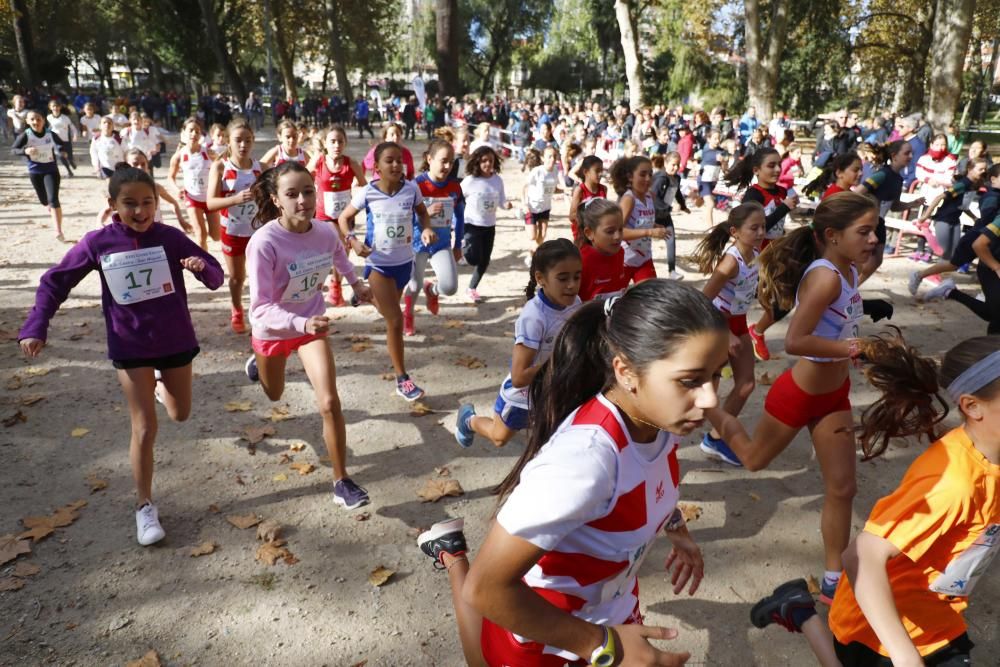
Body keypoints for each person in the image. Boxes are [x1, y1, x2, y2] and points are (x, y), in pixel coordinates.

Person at [418, 279, 723, 666]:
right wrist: (604, 646)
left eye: (717, 375)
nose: (711, 399)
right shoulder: (585, 461)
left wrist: (677, 531)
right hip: (544, 638)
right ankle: (452, 555)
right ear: (626, 372)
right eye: (690, 380)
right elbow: (486, 589)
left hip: (609, 619)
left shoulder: (663, 418)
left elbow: (649, 483)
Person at [752, 334, 1000, 667]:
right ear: (972, 406)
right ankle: (801, 613)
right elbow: (860, 555)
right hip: (879, 627)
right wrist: (905, 657)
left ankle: (797, 608)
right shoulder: (955, 483)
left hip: (936, 618)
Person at [18, 164, 223, 546]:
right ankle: (144, 506)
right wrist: (36, 325)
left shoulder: (170, 238)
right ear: (112, 204)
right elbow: (55, 281)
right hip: (130, 345)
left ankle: (162, 388)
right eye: (130, 204)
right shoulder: (98, 243)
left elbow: (215, 274)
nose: (141, 211)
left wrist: (202, 269)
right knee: (144, 427)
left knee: (180, 414)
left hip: (175, 339)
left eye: (148, 202)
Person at [705, 192, 878, 605]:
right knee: (752, 460)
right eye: (865, 231)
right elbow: (797, 340)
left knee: (843, 488)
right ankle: (708, 406)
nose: (873, 239)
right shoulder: (826, 277)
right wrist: (856, 349)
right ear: (833, 236)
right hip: (799, 393)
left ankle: (833, 577)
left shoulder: (849, 270)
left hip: (834, 394)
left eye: (875, 230)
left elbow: (841, 315)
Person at [242, 161, 373, 509]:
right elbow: (260, 309)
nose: (302, 200)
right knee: (274, 394)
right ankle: (259, 363)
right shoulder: (263, 243)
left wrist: (357, 284)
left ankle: (341, 481)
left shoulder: (325, 232)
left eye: (308, 191)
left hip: (310, 325)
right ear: (276, 199)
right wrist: (299, 325)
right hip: (273, 329)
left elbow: (338, 255)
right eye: (292, 194)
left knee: (330, 403)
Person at [456, 240, 582, 449]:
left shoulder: (575, 303)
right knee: (499, 438)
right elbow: (519, 377)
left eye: (577, 277)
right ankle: (468, 420)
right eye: (563, 278)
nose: (572, 285)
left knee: (553, 440)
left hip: (555, 389)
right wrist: (559, 361)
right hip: (523, 394)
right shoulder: (534, 318)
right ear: (541, 278)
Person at [338, 142, 436, 401]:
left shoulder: (411, 190)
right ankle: (402, 378)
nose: (395, 165)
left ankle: (367, 295)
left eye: (399, 161)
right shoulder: (368, 193)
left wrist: (426, 228)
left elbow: (423, 214)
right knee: (395, 320)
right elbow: (343, 218)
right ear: (376, 167)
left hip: (404, 264)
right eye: (389, 160)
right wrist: (352, 240)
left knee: (387, 309)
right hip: (378, 264)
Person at [692, 202, 765, 461]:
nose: (759, 233)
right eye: (753, 228)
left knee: (746, 384)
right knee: (706, 387)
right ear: (735, 231)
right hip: (718, 324)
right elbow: (704, 300)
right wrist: (725, 334)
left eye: (763, 227)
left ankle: (715, 438)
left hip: (739, 323)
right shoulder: (730, 262)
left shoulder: (755, 254)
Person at [726, 147, 800, 361]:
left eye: (779, 164)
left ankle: (755, 332)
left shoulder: (782, 192)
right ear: (757, 170)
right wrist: (784, 208)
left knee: (785, 301)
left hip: (777, 255)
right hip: (755, 258)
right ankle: (729, 342)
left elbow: (776, 227)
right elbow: (758, 227)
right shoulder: (753, 194)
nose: (777, 169)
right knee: (745, 301)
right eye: (771, 165)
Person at [404, 138, 465, 336]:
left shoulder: (455, 188)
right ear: (429, 159)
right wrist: (425, 212)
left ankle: (432, 291)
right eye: (443, 161)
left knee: (450, 287)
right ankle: (408, 315)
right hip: (417, 244)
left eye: (451, 162)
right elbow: (404, 217)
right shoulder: (416, 186)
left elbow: (460, 218)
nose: (448, 166)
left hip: (442, 244)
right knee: (414, 286)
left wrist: (457, 246)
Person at [206, 118, 261, 334]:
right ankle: (237, 308)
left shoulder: (261, 168)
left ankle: (259, 311)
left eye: (248, 140)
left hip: (257, 231)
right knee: (238, 277)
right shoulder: (221, 167)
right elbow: (210, 203)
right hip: (233, 231)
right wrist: (235, 200)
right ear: (229, 141)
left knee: (260, 275)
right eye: (238, 140)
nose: (243, 145)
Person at [908, 158, 989, 295]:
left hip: (955, 221)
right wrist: (926, 215)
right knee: (944, 252)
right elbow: (939, 197)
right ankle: (923, 275)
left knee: (953, 255)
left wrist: (974, 218)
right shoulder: (962, 184)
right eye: (980, 169)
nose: (983, 172)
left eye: (984, 169)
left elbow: (962, 206)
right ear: (970, 169)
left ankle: (934, 277)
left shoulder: (972, 186)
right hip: (943, 219)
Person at [307, 124, 366, 307]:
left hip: (346, 216)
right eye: (332, 141)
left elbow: (365, 185)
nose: (336, 145)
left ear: (345, 143)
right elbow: (303, 177)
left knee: (343, 253)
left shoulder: (351, 164)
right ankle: (328, 288)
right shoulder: (318, 161)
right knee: (336, 245)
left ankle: (336, 286)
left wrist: (354, 188)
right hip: (324, 216)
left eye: (340, 141)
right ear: (326, 143)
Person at [856, 140, 925, 282]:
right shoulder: (882, 174)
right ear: (894, 156)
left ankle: (851, 290)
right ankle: (844, 290)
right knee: (857, 260)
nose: (911, 156)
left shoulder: (898, 179)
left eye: (911, 153)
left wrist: (912, 203)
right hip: (866, 222)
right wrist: (868, 208)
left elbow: (894, 206)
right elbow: (857, 193)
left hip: (879, 221)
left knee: (876, 261)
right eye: (907, 153)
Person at [922, 210, 1000, 333]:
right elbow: (979, 245)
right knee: (997, 318)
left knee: (990, 313)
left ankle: (950, 292)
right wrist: (997, 267)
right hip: (990, 270)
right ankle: (991, 351)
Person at [460, 146, 512, 303]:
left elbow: (502, 201)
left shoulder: (497, 180)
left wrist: (506, 205)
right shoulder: (470, 181)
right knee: (474, 258)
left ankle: (472, 288)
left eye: (490, 160)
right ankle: (463, 247)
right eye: (484, 161)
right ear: (477, 162)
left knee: (485, 260)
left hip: (489, 225)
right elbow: (457, 197)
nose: (488, 164)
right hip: (472, 224)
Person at [99, 149, 192, 234]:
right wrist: (100, 224)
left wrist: (181, 221)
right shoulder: (122, 192)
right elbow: (107, 210)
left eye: (143, 164)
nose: (140, 167)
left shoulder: (156, 187)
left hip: (156, 233)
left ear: (148, 166)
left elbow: (173, 202)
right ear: (127, 166)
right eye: (135, 164)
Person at [12, 110, 69, 241]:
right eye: (32, 119)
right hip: (35, 171)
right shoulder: (25, 135)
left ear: (43, 120)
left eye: (38, 119)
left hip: (51, 170)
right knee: (44, 200)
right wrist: (25, 151)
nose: (36, 122)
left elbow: (61, 144)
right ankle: (49, 206)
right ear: (27, 121)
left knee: (53, 199)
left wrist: (62, 151)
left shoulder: (51, 134)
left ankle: (58, 231)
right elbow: (14, 150)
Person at [612, 155, 668, 284]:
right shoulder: (628, 199)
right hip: (624, 260)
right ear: (630, 177)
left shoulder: (650, 197)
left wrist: (655, 226)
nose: (648, 179)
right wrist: (649, 232)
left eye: (650, 174)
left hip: (644, 259)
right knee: (616, 300)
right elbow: (617, 232)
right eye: (642, 175)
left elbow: (639, 222)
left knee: (649, 299)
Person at [169, 118, 219, 250]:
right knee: (201, 235)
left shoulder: (208, 152)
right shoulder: (179, 156)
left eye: (197, 131)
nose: (194, 134)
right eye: (191, 130)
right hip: (192, 198)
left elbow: (223, 168)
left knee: (216, 236)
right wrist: (177, 189)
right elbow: (171, 177)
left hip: (209, 198)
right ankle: (206, 265)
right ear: (184, 132)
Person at [577, 198, 628, 302]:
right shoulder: (580, 261)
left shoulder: (620, 252)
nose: (618, 236)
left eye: (620, 229)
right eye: (610, 231)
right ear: (589, 233)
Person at [651, 152, 690, 280]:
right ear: (666, 164)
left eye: (678, 165)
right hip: (652, 215)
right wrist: (669, 208)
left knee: (671, 240)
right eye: (673, 164)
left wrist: (683, 206)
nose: (675, 167)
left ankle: (672, 271)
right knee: (644, 243)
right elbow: (653, 196)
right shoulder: (660, 178)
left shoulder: (677, 178)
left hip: (665, 215)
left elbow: (677, 193)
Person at [522, 146, 560, 254]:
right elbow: (524, 187)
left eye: (554, 156)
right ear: (543, 158)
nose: (552, 159)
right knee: (532, 236)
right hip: (532, 207)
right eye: (549, 156)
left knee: (542, 236)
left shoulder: (556, 170)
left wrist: (566, 190)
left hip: (545, 207)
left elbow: (554, 189)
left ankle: (534, 256)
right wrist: (524, 204)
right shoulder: (537, 171)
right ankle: (522, 214)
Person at [567, 155, 606, 243]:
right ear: (586, 172)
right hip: (582, 234)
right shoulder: (580, 190)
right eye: (597, 171)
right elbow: (572, 216)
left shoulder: (604, 189)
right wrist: (589, 218)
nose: (600, 174)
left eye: (601, 171)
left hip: (598, 232)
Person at [695, 129, 728, 228]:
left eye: (718, 138)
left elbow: (725, 169)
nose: (717, 141)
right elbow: (698, 158)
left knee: (706, 202)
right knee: (710, 204)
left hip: (713, 181)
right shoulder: (705, 150)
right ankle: (710, 228)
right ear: (709, 139)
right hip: (703, 180)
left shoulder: (722, 152)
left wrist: (723, 162)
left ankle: (699, 197)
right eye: (715, 138)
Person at [46, 99, 77, 177]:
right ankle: (69, 171)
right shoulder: (48, 117)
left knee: (69, 156)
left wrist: (75, 135)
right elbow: (49, 127)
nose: (55, 108)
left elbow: (72, 127)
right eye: (53, 106)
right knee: (61, 156)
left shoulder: (65, 118)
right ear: (50, 107)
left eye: (57, 106)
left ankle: (71, 161)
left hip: (66, 140)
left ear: (60, 107)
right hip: (56, 140)